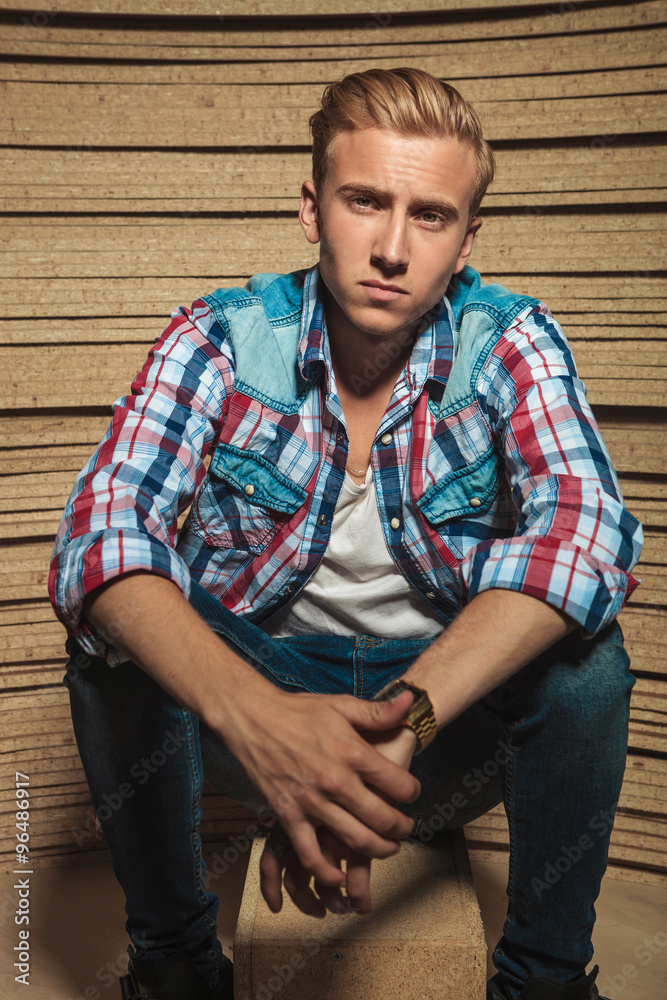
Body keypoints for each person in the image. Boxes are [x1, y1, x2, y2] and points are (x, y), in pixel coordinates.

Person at [49, 67, 643, 1000]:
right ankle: (174, 970)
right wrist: (265, 724)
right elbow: (99, 536)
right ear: (311, 208)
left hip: (438, 731)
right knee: (116, 635)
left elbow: (586, 536)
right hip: (257, 715)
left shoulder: (511, 340)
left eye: (431, 217)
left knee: (586, 662)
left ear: (466, 240)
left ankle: (544, 981)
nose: (393, 248)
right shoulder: (220, 338)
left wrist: (398, 729)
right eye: (364, 201)